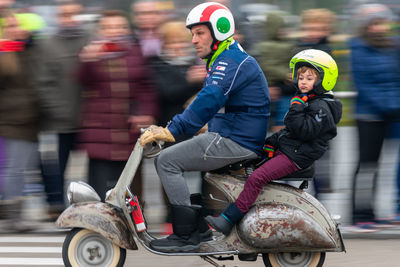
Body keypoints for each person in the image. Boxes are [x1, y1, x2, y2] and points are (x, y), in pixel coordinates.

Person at [139, 2, 270, 252]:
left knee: (166, 161)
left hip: (237, 140)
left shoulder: (229, 61)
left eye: (199, 33)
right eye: (192, 34)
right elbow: (222, 103)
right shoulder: (226, 57)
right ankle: (198, 229)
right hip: (234, 134)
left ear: (219, 31)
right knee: (171, 158)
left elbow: (210, 98)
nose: (193, 40)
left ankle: (187, 234)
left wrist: (173, 130)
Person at [205, 49, 343, 236]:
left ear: (323, 81)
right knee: (247, 158)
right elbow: (288, 133)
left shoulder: (320, 107)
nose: (303, 82)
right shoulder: (307, 101)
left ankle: (229, 219)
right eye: (300, 77)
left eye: (309, 78)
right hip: (291, 150)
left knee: (257, 177)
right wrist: (271, 143)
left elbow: (303, 131)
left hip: (296, 157)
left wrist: (295, 107)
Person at [77, 10, 158, 201]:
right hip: (99, 130)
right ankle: (99, 223)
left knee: (127, 184)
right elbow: (81, 80)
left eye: (119, 27)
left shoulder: (135, 52)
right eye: (108, 27)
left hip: (127, 130)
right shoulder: (92, 52)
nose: (114, 31)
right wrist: (88, 60)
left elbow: (146, 88)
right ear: (100, 30)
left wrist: (146, 113)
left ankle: (130, 224)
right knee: (99, 183)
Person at [348, 3, 400, 230]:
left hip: (391, 114)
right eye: (374, 24)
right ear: (365, 27)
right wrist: (391, 106)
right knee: (367, 165)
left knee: (384, 166)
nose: (379, 28)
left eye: (382, 23)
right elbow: (365, 85)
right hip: (369, 115)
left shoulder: (393, 47)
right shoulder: (358, 48)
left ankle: (378, 212)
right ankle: (360, 214)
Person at [37, 0, 88, 221]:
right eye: (65, 15)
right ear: (58, 17)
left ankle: (88, 205)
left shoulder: (90, 39)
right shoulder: (48, 45)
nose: (69, 19)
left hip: (89, 118)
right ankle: (56, 204)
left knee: (92, 165)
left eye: (73, 14)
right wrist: (57, 108)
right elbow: (42, 81)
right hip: (60, 119)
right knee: (57, 166)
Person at [0, 8, 45, 231]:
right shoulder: (5, 53)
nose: (18, 29)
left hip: (29, 121)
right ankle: (13, 218)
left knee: (20, 170)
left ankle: (14, 215)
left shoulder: (27, 50)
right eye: (11, 26)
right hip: (11, 121)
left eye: (19, 25)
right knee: (14, 170)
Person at [252, 11, 296, 132]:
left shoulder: (286, 46)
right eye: (280, 28)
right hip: (272, 85)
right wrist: (285, 74)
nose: (283, 31)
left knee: (283, 111)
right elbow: (267, 65)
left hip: (281, 87)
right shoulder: (264, 47)